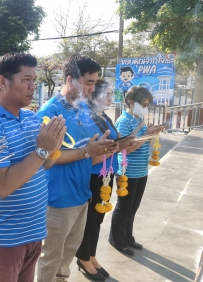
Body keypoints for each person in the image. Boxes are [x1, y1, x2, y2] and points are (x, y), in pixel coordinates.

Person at [0, 53, 66, 282]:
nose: (33, 87)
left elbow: (45, 164)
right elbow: (2, 187)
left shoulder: (31, 118)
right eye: (26, 80)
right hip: (4, 238)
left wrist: (53, 146)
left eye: (34, 80)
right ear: (2, 82)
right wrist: (42, 150)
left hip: (33, 231)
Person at [36, 55, 118, 282]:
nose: (93, 88)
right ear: (71, 80)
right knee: (51, 258)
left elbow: (88, 154)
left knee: (67, 256)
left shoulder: (82, 109)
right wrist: (87, 152)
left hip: (83, 196)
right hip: (59, 199)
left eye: (94, 83)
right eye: (89, 82)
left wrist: (106, 148)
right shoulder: (49, 112)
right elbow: (44, 159)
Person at [75, 79, 133, 280]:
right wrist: (112, 149)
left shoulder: (104, 117)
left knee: (98, 219)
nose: (110, 98)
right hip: (94, 176)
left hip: (107, 176)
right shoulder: (88, 119)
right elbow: (89, 155)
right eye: (106, 94)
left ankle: (91, 255)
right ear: (92, 95)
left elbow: (113, 147)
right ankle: (83, 258)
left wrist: (125, 143)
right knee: (90, 220)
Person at [109, 86, 164, 256]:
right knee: (124, 206)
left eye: (148, 105)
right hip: (128, 171)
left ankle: (128, 236)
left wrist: (151, 134)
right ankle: (117, 239)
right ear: (131, 103)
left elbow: (141, 143)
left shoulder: (139, 119)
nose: (146, 108)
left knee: (133, 207)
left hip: (141, 170)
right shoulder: (124, 121)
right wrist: (146, 134)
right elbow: (126, 149)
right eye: (144, 104)